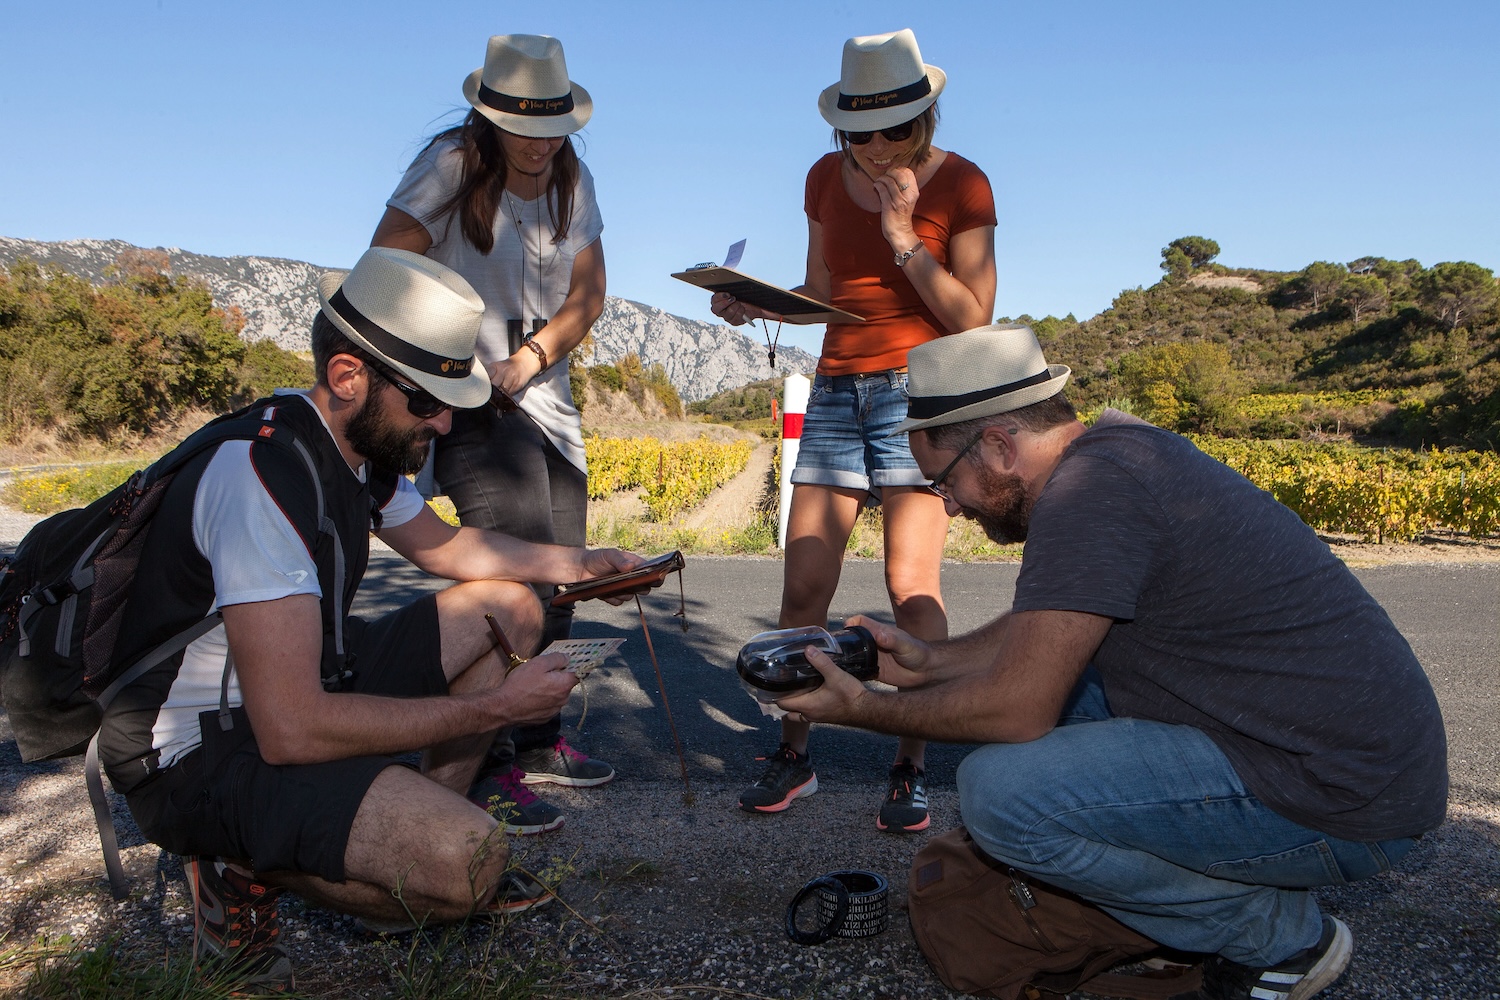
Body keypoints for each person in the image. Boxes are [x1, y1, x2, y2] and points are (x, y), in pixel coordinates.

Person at [775, 323, 1449, 1000]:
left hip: (1345, 796)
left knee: (1004, 799)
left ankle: (1278, 937)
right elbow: (1053, 628)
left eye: (944, 483)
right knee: (1076, 700)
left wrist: (861, 709)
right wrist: (931, 660)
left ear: (1000, 446)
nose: (949, 506)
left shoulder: (1088, 496)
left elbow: (1017, 708)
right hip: (1337, 755)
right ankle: (1180, 916)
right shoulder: (1116, 455)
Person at [98, 248, 644, 990]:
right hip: (199, 752)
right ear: (349, 376)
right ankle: (235, 865)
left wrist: (576, 564)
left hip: (289, 697)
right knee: (471, 862)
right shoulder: (264, 477)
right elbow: (292, 729)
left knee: (512, 606)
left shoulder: (354, 447)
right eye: (425, 401)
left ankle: (388, 845)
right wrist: (497, 708)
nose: (446, 423)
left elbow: (449, 548)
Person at [710, 28, 996, 832]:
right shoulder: (821, 179)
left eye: (894, 130)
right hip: (837, 388)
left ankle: (910, 765)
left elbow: (973, 317)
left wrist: (906, 236)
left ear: (925, 118)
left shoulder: (964, 185)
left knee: (912, 590)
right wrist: (752, 301)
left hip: (921, 397)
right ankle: (794, 754)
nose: (875, 147)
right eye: (858, 132)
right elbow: (821, 288)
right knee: (804, 585)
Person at [370, 33, 610, 835]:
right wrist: (452, 364)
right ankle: (483, 762)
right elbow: (385, 267)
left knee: (568, 578)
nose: (540, 142)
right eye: (522, 125)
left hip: (544, 395)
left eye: (554, 126)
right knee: (513, 580)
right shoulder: (448, 166)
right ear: (489, 116)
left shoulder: (573, 181)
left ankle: (538, 737)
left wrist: (535, 355)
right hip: (468, 399)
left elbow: (590, 293)